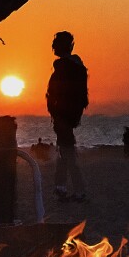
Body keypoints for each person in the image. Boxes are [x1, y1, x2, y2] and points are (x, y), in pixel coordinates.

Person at [45, 30, 88, 202]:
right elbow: (82, 97)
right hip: (68, 116)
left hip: (63, 116)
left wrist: (55, 111)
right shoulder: (77, 67)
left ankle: (78, 191)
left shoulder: (64, 68)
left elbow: (55, 93)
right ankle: (61, 187)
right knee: (64, 151)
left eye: (55, 44)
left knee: (68, 152)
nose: (53, 47)